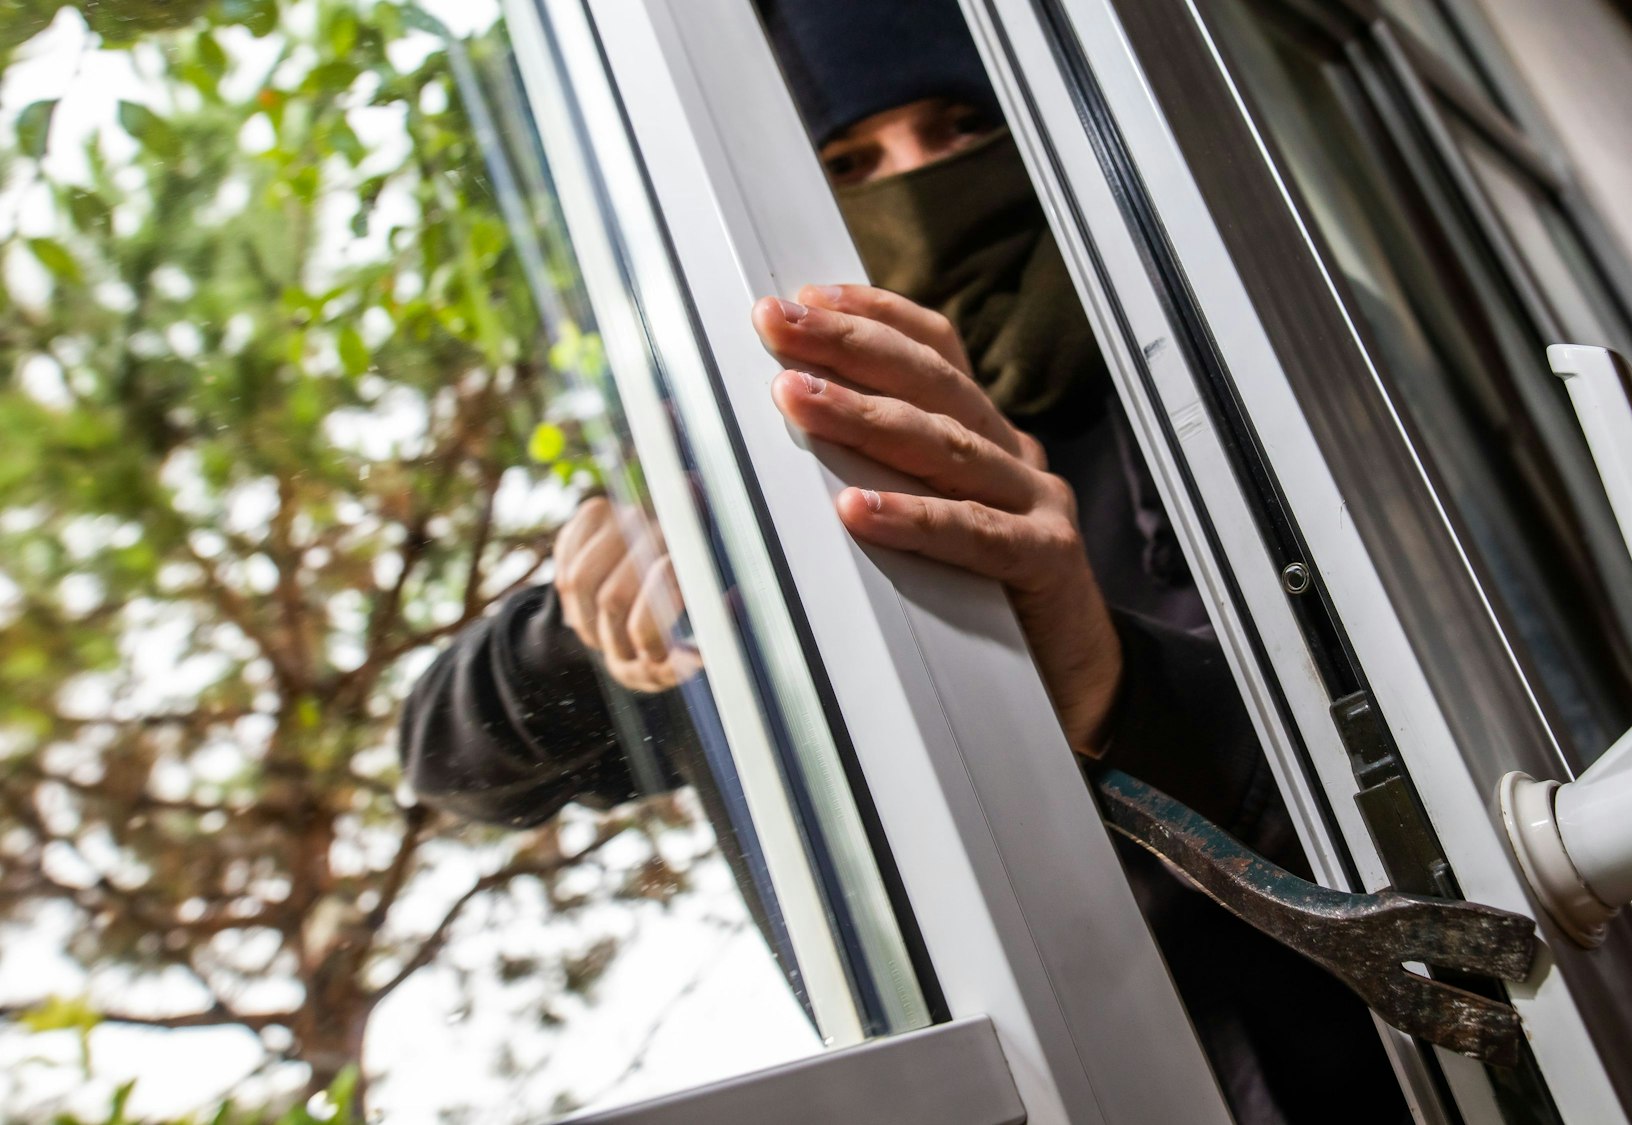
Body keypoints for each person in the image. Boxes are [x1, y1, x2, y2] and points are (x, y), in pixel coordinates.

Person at [399, 1, 1407, 1119]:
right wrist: (591, 609)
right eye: (849, 160)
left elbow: (1432, 772)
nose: (916, 185)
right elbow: (452, 764)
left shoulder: (1258, 345)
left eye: (961, 127)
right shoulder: (761, 492)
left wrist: (1109, 684)